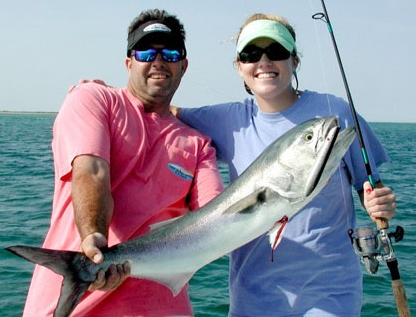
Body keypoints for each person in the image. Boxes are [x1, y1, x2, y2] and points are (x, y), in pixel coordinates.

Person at [173, 13, 396, 316]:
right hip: (252, 296)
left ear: (295, 61)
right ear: (239, 67)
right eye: (251, 54)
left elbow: (368, 184)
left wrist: (376, 201)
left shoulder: (335, 114)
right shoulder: (225, 120)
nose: (264, 62)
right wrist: (98, 96)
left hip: (330, 292)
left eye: (276, 52)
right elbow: (162, 111)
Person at [22, 9, 224, 317]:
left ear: (183, 65)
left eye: (170, 53)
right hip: (71, 309)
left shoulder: (200, 145)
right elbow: (91, 170)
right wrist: (94, 238)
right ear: (129, 63)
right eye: (146, 52)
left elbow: (217, 219)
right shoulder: (94, 99)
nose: (158, 61)